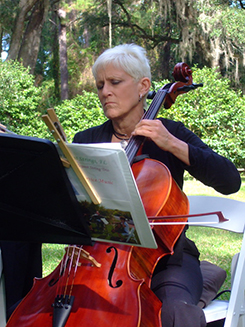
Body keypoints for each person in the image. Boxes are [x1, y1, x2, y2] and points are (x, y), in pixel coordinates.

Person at [73, 43, 241, 327]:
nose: (105, 92)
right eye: (100, 85)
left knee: (176, 313)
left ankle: (202, 277)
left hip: (167, 260)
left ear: (143, 87)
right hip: (99, 259)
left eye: (115, 82)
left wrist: (173, 145)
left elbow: (230, 181)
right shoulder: (87, 140)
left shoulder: (171, 132)